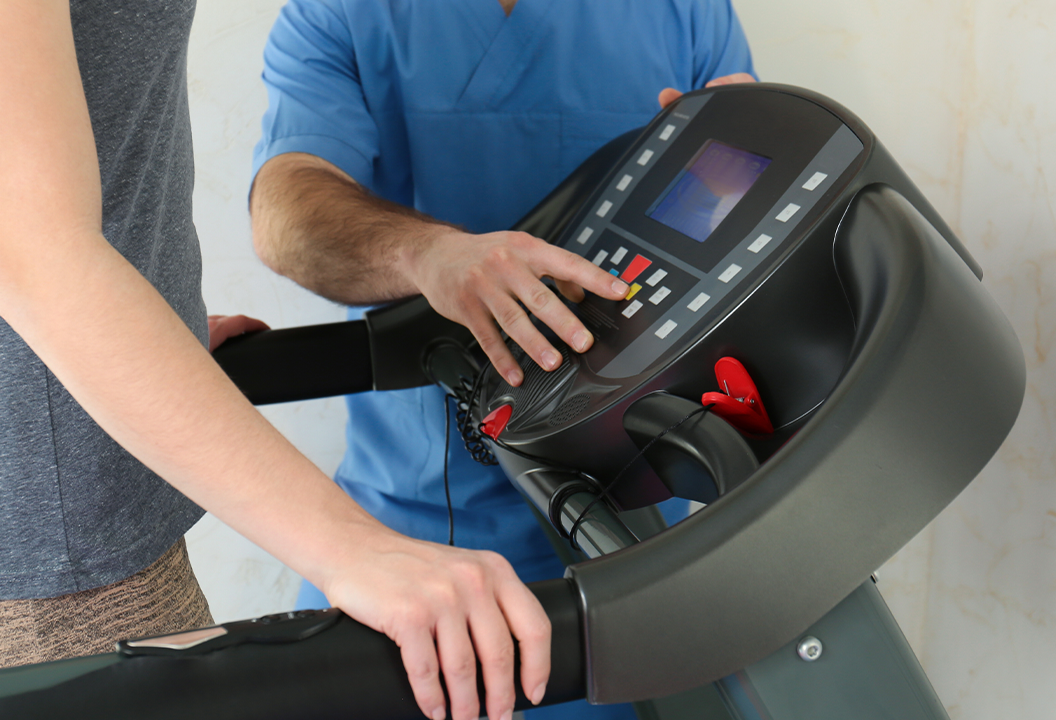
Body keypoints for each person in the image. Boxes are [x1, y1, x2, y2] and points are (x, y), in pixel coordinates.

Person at [0, 3, 559, 719]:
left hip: (63, 484)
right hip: (31, 544)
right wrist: (357, 551)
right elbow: (37, 263)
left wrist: (144, 332)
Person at [249, 1, 756, 717]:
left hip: (637, 557)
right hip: (404, 552)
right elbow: (287, 211)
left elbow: (736, 217)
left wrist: (744, 171)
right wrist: (429, 253)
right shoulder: (343, 13)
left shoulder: (684, 13)